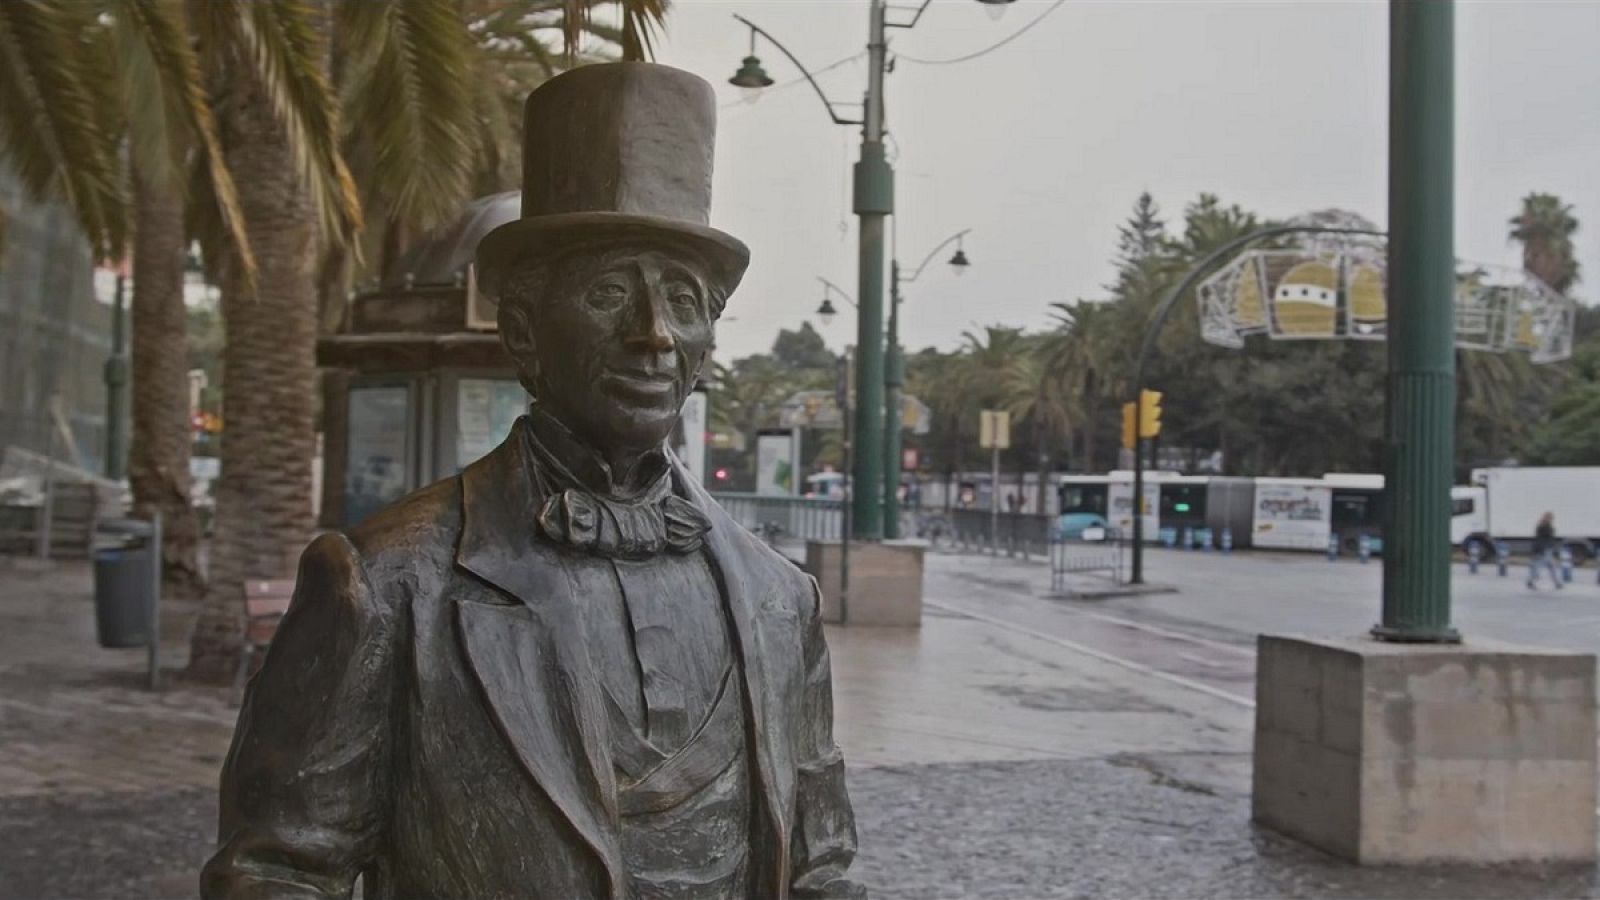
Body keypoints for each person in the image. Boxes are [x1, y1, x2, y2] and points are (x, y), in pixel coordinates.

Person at [203, 63, 862, 900]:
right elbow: (276, 873)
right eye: (610, 291)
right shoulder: (386, 584)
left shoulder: (780, 600)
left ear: (706, 351)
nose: (652, 334)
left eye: (685, 302)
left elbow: (820, 865)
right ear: (523, 331)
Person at [1527, 511, 1563, 590]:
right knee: (1540, 566)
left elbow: (1540, 539)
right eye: (1550, 518)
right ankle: (1531, 581)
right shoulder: (1545, 527)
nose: (1551, 520)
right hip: (1544, 550)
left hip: (1546, 549)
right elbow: (1544, 539)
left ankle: (1557, 583)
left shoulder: (1542, 526)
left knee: (1549, 566)